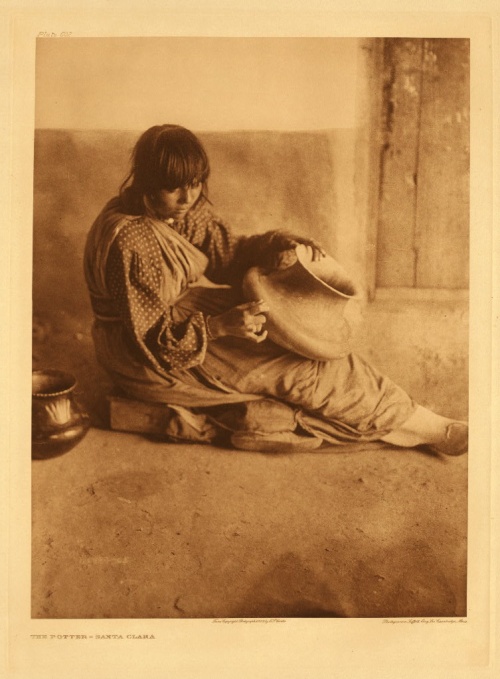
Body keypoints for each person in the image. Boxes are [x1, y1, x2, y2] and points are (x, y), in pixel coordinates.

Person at [84, 124, 468, 455]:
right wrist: (221, 327)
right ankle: (422, 427)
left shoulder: (173, 209)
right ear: (147, 183)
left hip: (180, 319)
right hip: (143, 354)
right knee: (297, 368)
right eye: (174, 188)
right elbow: (152, 342)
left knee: (299, 340)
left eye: (195, 184)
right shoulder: (131, 240)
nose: (188, 198)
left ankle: (400, 414)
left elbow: (228, 255)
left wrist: (278, 248)